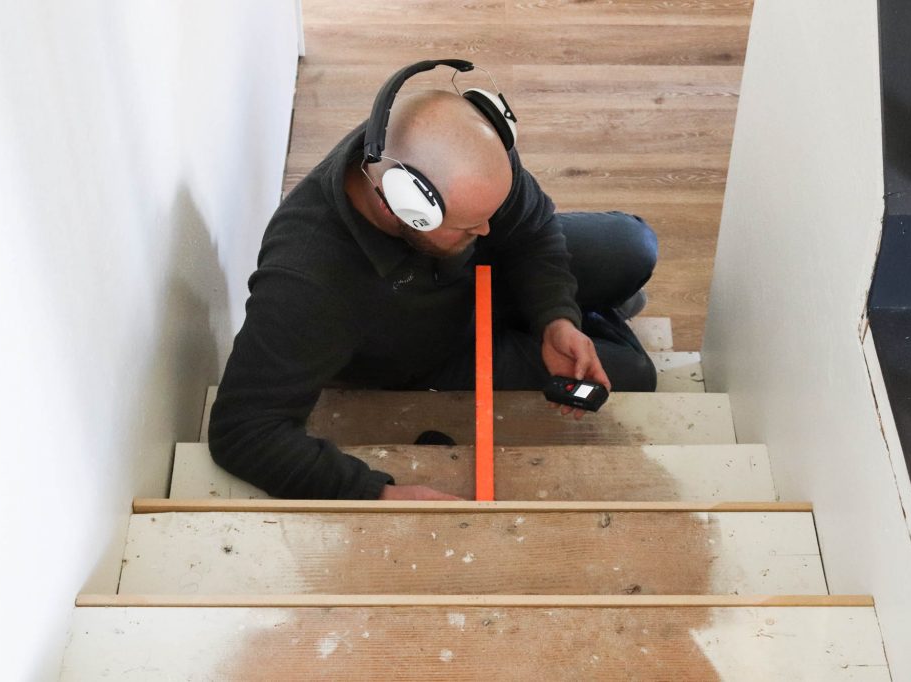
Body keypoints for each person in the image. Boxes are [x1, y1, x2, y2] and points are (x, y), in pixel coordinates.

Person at [209, 62, 658, 501]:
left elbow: (531, 229)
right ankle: (604, 312)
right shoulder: (307, 285)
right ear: (402, 205)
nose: (485, 231)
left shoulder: (452, 153)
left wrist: (556, 317)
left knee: (634, 246)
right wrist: (378, 492)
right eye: (469, 225)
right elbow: (243, 430)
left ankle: (581, 313)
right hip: (429, 352)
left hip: (475, 281)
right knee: (635, 376)